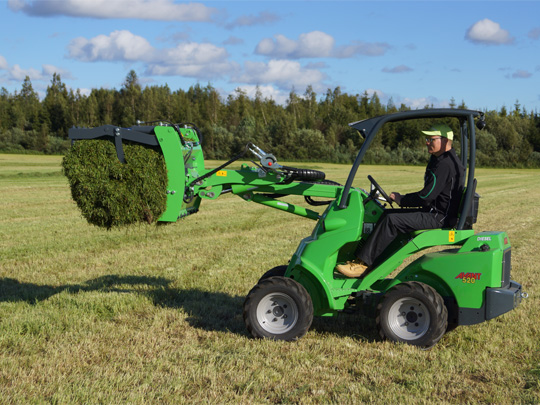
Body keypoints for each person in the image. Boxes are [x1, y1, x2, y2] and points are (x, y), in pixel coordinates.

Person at [336, 123, 465, 278]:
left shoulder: (445, 164)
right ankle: (369, 262)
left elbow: (426, 197)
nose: (427, 142)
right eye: (427, 139)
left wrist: (401, 199)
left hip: (438, 217)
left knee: (392, 220)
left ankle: (362, 265)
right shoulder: (442, 159)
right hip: (435, 212)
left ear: (445, 141)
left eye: (431, 139)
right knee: (385, 214)